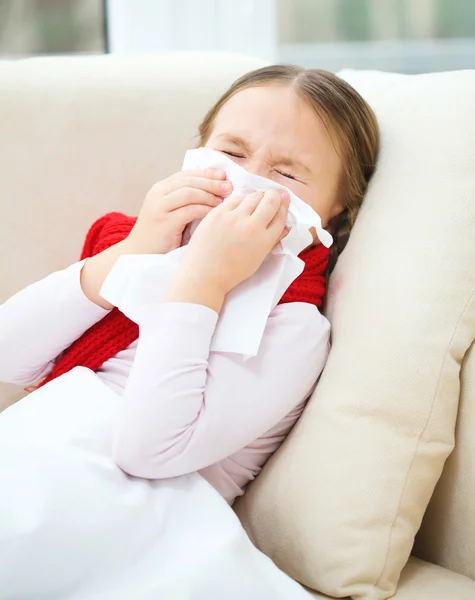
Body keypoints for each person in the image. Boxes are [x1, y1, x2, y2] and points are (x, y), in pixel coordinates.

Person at [0, 65, 378, 598]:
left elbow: (147, 452)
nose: (250, 180)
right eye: (232, 152)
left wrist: (205, 279)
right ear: (198, 151)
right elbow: (8, 356)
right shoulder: (140, 248)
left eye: (288, 174)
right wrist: (136, 250)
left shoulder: (293, 325)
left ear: (335, 209)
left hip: (131, 502)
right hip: (42, 443)